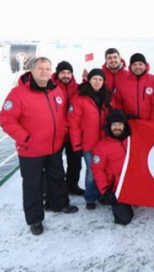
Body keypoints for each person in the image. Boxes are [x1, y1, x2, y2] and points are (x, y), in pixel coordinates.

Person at [0, 57, 78, 236]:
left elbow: (62, 115)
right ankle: (35, 219)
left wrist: (63, 130)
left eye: (47, 69)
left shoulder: (56, 91)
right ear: (32, 71)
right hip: (31, 150)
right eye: (40, 68)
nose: (44, 72)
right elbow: (6, 119)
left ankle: (59, 204)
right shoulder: (18, 94)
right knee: (33, 185)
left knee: (57, 177)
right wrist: (25, 138)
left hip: (54, 147)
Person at [68, 69, 112, 210]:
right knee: (92, 171)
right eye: (94, 79)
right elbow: (73, 123)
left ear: (103, 81)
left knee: (104, 169)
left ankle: (102, 194)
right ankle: (91, 197)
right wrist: (76, 144)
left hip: (104, 142)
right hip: (89, 143)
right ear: (89, 80)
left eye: (100, 79)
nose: (97, 82)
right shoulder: (80, 98)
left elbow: (114, 116)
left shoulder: (108, 98)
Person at [91, 109, 134, 225]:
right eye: (114, 125)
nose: (117, 128)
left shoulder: (132, 140)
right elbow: (97, 169)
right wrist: (105, 190)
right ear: (109, 126)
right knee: (124, 219)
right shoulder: (102, 146)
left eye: (120, 124)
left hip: (134, 183)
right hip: (117, 187)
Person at [52, 61, 85, 196]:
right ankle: (57, 189)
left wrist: (86, 81)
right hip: (57, 133)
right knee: (55, 165)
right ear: (57, 73)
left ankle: (72, 185)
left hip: (73, 133)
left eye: (68, 73)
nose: (66, 75)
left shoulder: (77, 88)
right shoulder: (51, 88)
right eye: (63, 73)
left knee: (75, 163)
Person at [113, 53, 154, 120]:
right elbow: (117, 102)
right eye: (134, 64)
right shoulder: (121, 82)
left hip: (150, 123)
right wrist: (123, 117)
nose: (137, 67)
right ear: (130, 66)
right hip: (130, 123)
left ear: (145, 65)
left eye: (140, 64)